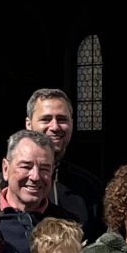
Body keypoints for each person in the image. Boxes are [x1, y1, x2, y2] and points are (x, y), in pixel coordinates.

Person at [0, 129, 86, 253]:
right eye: (26, 166)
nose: (35, 176)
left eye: (44, 168)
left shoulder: (67, 224)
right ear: (5, 169)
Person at [24, 87, 100, 230]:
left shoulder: (89, 187)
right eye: (46, 119)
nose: (55, 126)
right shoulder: (6, 183)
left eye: (61, 119)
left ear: (71, 123)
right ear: (29, 124)